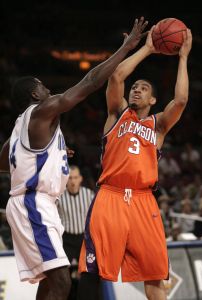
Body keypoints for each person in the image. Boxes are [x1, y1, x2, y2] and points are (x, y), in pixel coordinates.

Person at [0, 17, 149, 300]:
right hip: (34, 204)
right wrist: (125, 47)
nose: (48, 90)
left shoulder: (19, 129)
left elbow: (3, 163)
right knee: (61, 283)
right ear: (35, 94)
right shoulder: (44, 110)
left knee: (49, 281)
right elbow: (90, 81)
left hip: (31, 204)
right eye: (43, 86)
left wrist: (52, 157)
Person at [78, 26, 192, 300]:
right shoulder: (117, 114)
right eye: (135, 88)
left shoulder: (158, 126)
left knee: (154, 274)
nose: (137, 91)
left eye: (143, 89)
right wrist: (148, 48)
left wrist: (183, 58)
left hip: (144, 201)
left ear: (153, 100)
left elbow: (181, 100)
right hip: (111, 196)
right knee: (92, 271)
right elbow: (117, 75)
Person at [57, 165, 95, 300]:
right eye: (70, 178)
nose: (73, 181)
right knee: (62, 277)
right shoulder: (59, 197)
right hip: (66, 240)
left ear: (80, 179)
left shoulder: (89, 194)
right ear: (66, 180)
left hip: (83, 239)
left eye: (75, 178)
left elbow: (96, 217)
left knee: (88, 274)